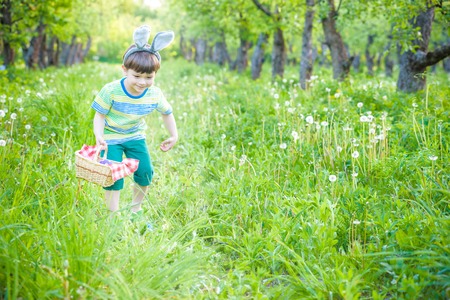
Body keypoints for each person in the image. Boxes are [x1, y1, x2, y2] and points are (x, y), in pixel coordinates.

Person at [91, 25, 178, 220]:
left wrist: (174, 135)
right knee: (113, 174)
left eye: (149, 77)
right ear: (125, 70)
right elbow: (100, 115)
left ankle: (135, 210)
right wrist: (99, 136)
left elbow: (167, 112)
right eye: (136, 76)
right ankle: (111, 215)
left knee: (145, 171)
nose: (142, 82)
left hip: (135, 136)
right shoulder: (112, 90)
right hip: (111, 137)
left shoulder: (154, 94)